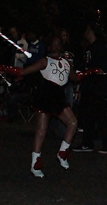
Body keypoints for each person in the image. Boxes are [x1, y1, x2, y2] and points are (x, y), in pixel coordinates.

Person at [18, 35, 78, 177]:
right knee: (41, 131)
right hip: (45, 96)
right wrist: (5, 69)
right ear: (49, 47)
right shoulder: (44, 61)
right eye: (53, 44)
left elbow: (75, 77)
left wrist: (90, 71)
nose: (56, 46)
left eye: (58, 44)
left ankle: (62, 153)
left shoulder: (66, 63)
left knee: (73, 123)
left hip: (59, 97)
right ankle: (35, 163)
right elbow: (24, 71)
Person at [74, 24, 107, 153]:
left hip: (96, 87)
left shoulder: (100, 47)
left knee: (100, 115)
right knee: (88, 116)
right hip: (88, 86)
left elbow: (102, 68)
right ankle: (88, 142)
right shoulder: (89, 48)